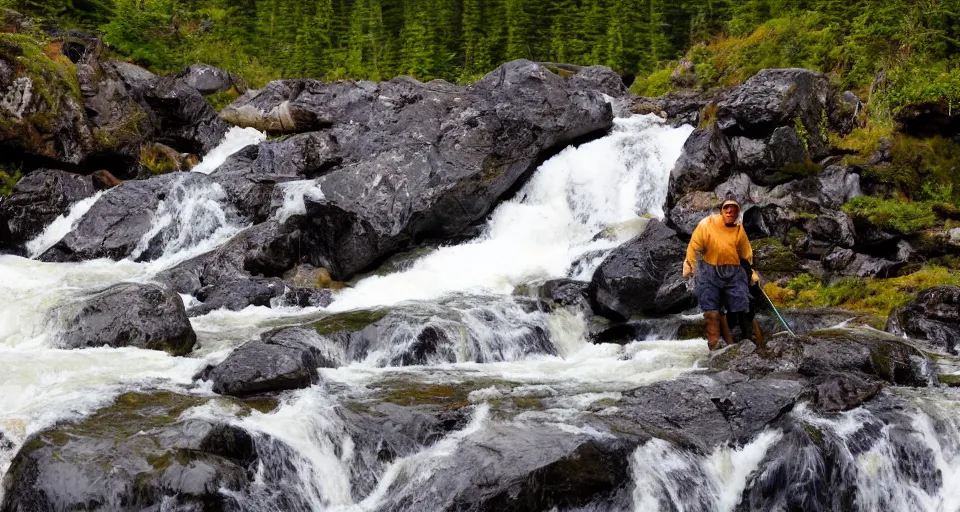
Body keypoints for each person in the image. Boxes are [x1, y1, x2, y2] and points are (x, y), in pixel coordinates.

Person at [681, 196, 762, 351]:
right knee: (711, 313)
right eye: (727, 209)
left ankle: (751, 344)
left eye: (734, 210)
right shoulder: (707, 225)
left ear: (738, 213)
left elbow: (745, 255)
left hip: (733, 272)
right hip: (708, 271)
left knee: (743, 305)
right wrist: (690, 263)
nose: (730, 212)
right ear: (721, 211)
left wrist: (751, 272)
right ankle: (715, 349)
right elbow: (694, 246)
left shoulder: (739, 230)